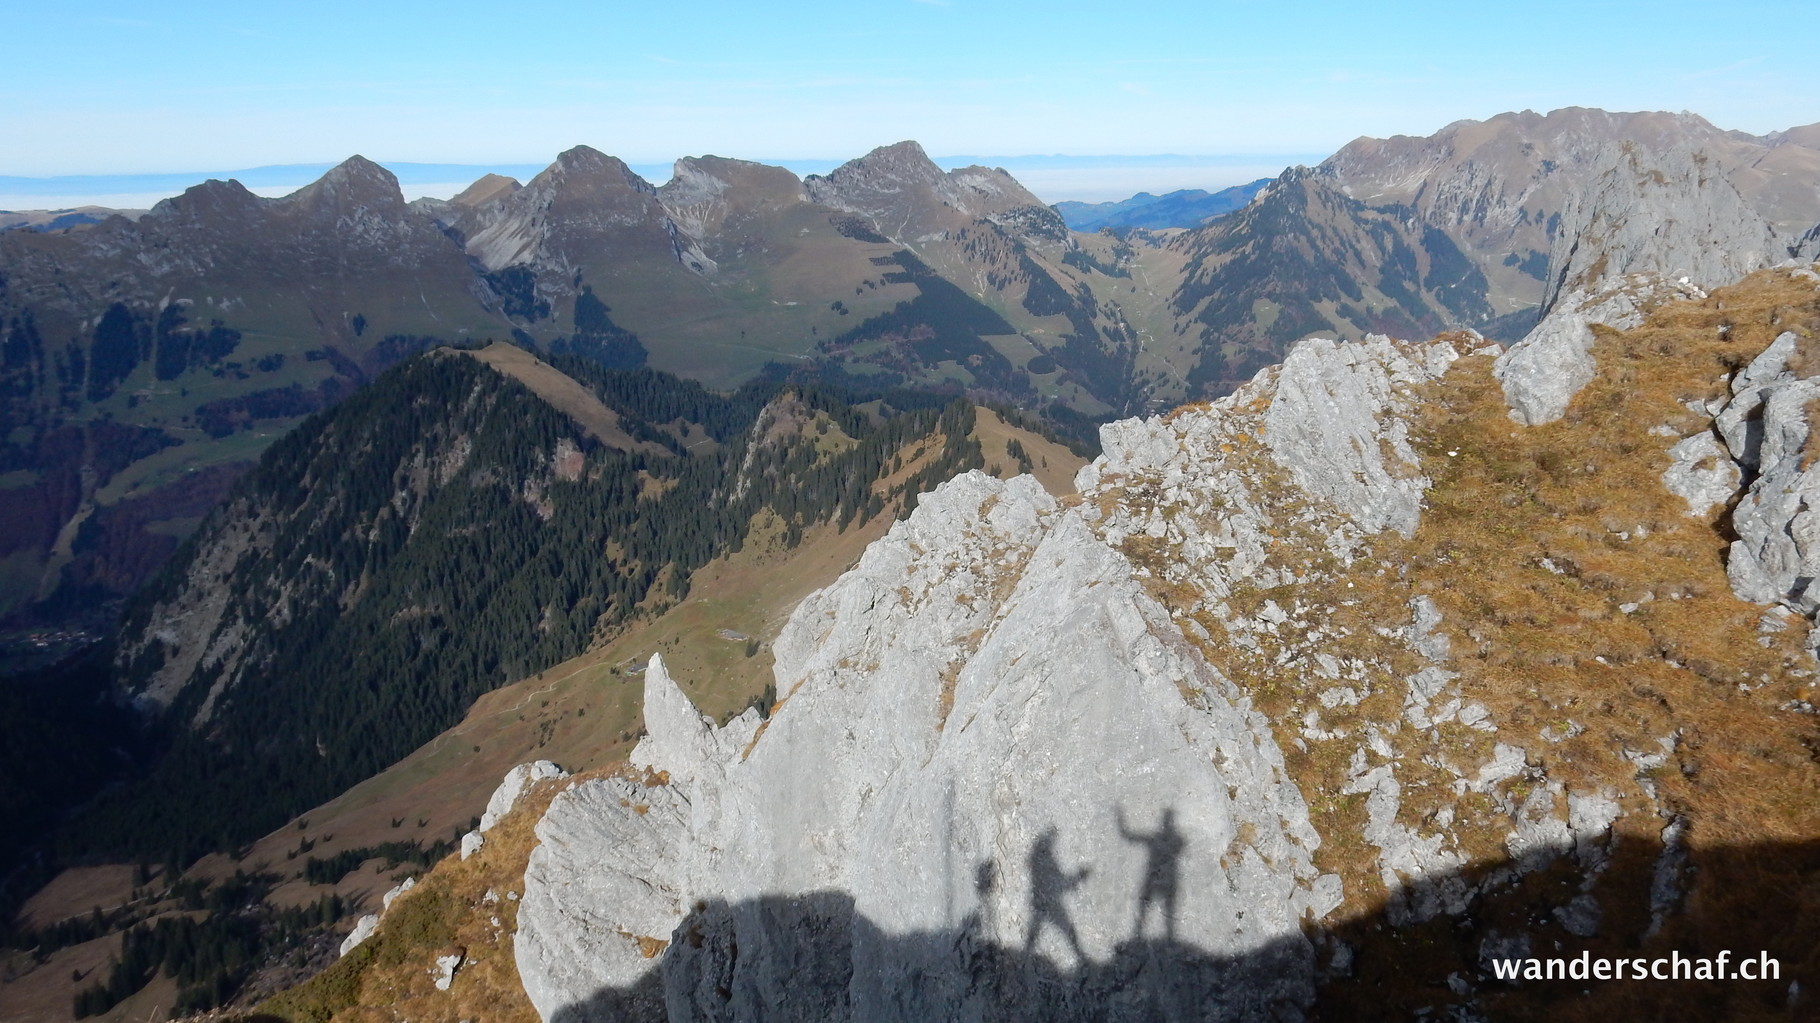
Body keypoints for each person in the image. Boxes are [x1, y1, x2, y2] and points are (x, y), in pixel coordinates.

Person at [1117, 806, 1185, 941]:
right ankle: (1147, 936)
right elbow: (1129, 836)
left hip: (1163, 878)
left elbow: (1129, 836)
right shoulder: (1171, 839)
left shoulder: (1165, 839)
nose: (1165, 822)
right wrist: (1119, 818)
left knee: (1164, 910)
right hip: (1158, 877)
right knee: (1147, 907)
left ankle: (1165, 938)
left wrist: (1119, 818)